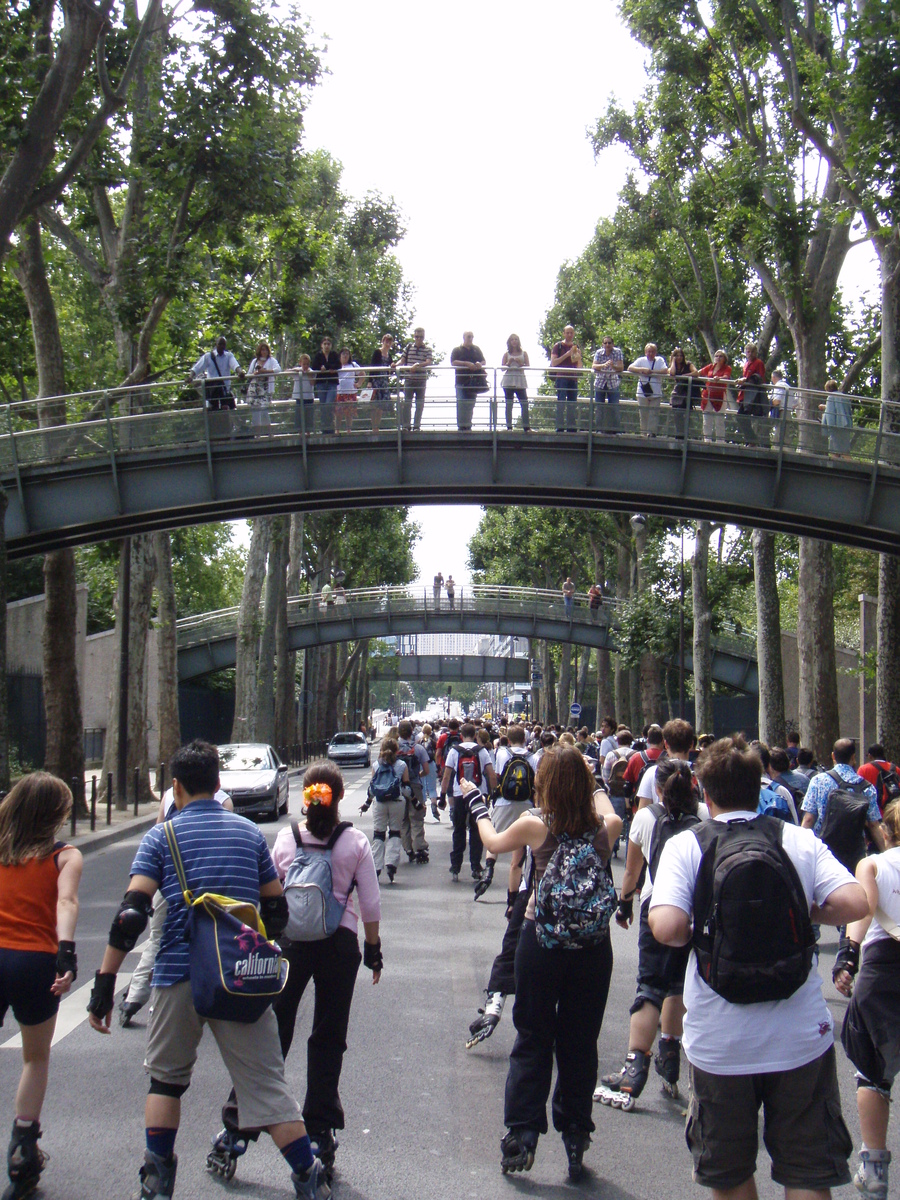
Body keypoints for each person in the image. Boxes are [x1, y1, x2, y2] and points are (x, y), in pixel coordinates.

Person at [86, 740, 330, 1200]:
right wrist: (264, 949)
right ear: (219, 784)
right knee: (267, 1088)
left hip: (177, 973)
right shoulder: (247, 834)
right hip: (238, 976)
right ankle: (308, 1178)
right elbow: (277, 910)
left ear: (175, 786)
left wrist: (103, 984)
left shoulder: (162, 837)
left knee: (166, 1080)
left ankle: (157, 1183)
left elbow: (131, 916)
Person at [649, 736, 868, 1200]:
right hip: (799, 1035)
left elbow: (667, 928)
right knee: (808, 1173)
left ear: (705, 794)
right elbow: (853, 902)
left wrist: (705, 925)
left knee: (729, 1174)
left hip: (720, 1038)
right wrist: (802, 908)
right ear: (760, 785)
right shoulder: (798, 839)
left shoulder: (688, 845)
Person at [466, 746, 622, 1180]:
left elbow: (492, 842)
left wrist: (478, 805)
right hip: (593, 947)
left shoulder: (535, 827)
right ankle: (575, 1132)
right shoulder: (606, 828)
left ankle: (523, 1132)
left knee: (533, 1035)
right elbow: (605, 804)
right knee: (579, 1039)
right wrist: (594, 782)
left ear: (544, 784)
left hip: (541, 940)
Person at [261, 761, 381, 1183]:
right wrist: (374, 949)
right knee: (328, 1035)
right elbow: (370, 902)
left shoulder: (286, 838)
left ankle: (247, 1110)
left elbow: (269, 891)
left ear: (303, 795)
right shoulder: (354, 842)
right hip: (340, 944)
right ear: (339, 796)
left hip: (292, 943)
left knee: (277, 1028)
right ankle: (319, 1125)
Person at [597, 759, 706, 1110]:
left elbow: (632, 871)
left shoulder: (646, 818)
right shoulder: (705, 815)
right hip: (693, 911)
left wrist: (624, 903)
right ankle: (670, 1055)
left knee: (649, 985)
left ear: (657, 789)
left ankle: (634, 1069)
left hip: (657, 907)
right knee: (677, 984)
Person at [0, 774, 82, 1200]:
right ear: (56, 814)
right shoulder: (64, 856)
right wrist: (65, 954)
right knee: (34, 1058)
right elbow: (66, 902)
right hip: (32, 961)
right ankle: (22, 1149)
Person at [118, 784, 233, 1028]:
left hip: (168, 882)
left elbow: (159, 831)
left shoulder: (169, 795)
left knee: (158, 938)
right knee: (210, 937)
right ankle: (209, 994)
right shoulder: (224, 802)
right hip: (204, 884)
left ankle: (135, 997)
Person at [833, 798, 900, 1198]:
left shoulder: (874, 864)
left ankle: (874, 1166)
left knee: (872, 1071)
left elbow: (864, 907)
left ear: (887, 832)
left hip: (883, 968)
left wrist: (848, 955)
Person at [800, 737, 885, 868]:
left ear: (833, 756)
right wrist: (888, 855)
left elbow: (809, 819)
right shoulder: (867, 788)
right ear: (853, 757)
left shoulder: (818, 781)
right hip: (855, 855)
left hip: (824, 853)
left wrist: (800, 850)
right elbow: (874, 825)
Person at [440, 723, 498, 882]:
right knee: (476, 830)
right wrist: (495, 793)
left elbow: (446, 776)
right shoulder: (482, 751)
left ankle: (456, 864)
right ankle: (475, 866)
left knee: (458, 829)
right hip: (478, 794)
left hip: (460, 793)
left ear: (461, 734)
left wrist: (443, 795)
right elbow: (491, 774)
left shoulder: (454, 751)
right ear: (475, 735)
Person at [359, 738, 409, 884]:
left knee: (378, 834)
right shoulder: (401, 765)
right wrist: (416, 802)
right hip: (397, 802)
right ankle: (391, 863)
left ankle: (376, 866)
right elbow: (406, 788)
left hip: (379, 803)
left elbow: (372, 788)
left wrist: (367, 803)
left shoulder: (376, 765)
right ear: (396, 749)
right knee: (395, 832)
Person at [397, 719, 430, 865]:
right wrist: (417, 776)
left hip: (398, 787)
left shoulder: (393, 747)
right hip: (415, 785)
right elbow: (427, 770)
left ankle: (408, 848)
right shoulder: (418, 749)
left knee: (404, 820)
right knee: (416, 817)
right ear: (412, 732)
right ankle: (419, 848)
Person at [189, 337, 243, 410]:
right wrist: (190, 377)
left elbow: (235, 365)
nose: (222, 346)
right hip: (213, 391)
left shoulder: (229, 356)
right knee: (213, 412)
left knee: (226, 410)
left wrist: (240, 372)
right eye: (220, 344)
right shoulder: (208, 357)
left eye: (223, 344)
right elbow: (197, 368)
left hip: (225, 390)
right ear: (216, 345)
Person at [397, 327, 433, 432]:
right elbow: (403, 360)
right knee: (407, 403)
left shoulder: (427, 349)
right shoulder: (409, 347)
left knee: (419, 404)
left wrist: (418, 365)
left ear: (424, 337)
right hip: (409, 379)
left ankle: (416, 426)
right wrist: (396, 364)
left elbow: (428, 362)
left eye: (421, 337)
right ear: (414, 336)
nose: (418, 339)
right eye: (417, 336)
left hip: (421, 380)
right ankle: (406, 426)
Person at [628, 343, 667, 437]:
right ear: (645, 352)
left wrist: (651, 372)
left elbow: (665, 370)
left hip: (656, 393)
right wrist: (642, 369)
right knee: (643, 414)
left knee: (654, 414)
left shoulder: (660, 360)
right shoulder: (641, 360)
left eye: (652, 352)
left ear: (655, 353)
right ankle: (643, 434)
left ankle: (652, 433)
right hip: (642, 393)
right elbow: (630, 368)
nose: (650, 353)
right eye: (649, 351)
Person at [450, 331, 487, 432]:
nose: (470, 339)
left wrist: (479, 363)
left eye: (472, 337)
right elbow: (453, 362)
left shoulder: (476, 349)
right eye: (469, 337)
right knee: (461, 403)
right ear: (464, 337)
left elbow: (483, 361)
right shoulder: (457, 350)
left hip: (474, 381)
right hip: (461, 381)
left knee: (471, 404)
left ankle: (468, 426)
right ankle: (461, 427)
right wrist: (466, 364)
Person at [550, 326, 583, 433]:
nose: (569, 335)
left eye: (571, 333)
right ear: (564, 333)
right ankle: (559, 427)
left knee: (572, 404)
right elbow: (554, 363)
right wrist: (567, 354)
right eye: (567, 333)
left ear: (573, 334)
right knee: (561, 402)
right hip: (561, 378)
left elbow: (579, 367)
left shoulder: (576, 347)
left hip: (573, 379)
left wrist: (578, 356)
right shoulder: (558, 346)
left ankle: (571, 428)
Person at [735, 341, 767, 447]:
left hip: (752, 395)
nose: (749, 353)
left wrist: (747, 380)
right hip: (745, 395)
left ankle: (752, 441)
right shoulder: (746, 364)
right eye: (747, 351)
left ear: (754, 352)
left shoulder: (758, 363)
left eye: (751, 351)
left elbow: (760, 378)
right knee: (742, 418)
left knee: (741, 417)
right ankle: (751, 440)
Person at [245, 342, 281, 433]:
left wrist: (264, 371)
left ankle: (269, 433)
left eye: (265, 350)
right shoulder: (255, 361)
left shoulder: (271, 360)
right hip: (255, 390)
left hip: (266, 389)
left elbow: (278, 370)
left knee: (264, 411)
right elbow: (249, 373)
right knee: (255, 412)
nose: (263, 352)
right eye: (262, 350)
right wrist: (256, 373)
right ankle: (257, 434)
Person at [698, 349, 731, 443]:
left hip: (719, 396)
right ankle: (707, 439)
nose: (718, 358)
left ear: (724, 358)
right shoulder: (711, 367)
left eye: (721, 356)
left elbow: (726, 376)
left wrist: (719, 378)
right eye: (716, 356)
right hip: (707, 395)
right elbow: (699, 372)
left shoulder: (727, 368)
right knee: (707, 419)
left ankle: (720, 440)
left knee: (719, 419)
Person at [592, 336, 624, 434]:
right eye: (605, 343)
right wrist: (603, 365)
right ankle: (599, 429)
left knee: (614, 407)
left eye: (609, 343)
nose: (607, 345)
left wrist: (612, 366)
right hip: (600, 383)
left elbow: (621, 367)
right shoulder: (599, 353)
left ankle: (615, 430)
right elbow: (594, 366)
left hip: (613, 382)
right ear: (602, 344)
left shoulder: (617, 352)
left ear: (613, 344)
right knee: (599, 407)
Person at [857, 743, 900, 815]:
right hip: (893, 814)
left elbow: (858, 792)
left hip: (872, 815)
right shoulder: (896, 769)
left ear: (870, 756)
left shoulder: (863, 769)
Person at [501, 334, 530, 431]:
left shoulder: (524, 353)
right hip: (508, 381)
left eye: (516, 339)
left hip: (520, 380)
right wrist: (508, 364)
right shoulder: (506, 354)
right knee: (509, 404)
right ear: (509, 342)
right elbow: (502, 368)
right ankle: (509, 427)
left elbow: (528, 366)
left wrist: (521, 364)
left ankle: (526, 427)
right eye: (512, 340)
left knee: (524, 403)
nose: (514, 341)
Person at [311, 336, 340, 434]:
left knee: (328, 404)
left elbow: (338, 365)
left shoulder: (334, 355)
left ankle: (330, 426)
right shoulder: (318, 356)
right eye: (325, 344)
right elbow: (315, 366)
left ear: (331, 345)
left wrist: (327, 367)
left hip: (332, 383)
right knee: (323, 406)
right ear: (321, 346)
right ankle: (324, 428)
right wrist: (321, 368)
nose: (327, 346)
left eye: (328, 344)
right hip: (321, 383)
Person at [667, 347, 699, 437]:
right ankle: (679, 434)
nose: (679, 357)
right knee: (677, 414)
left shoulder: (688, 365)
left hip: (687, 392)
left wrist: (685, 376)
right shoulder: (673, 367)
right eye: (677, 355)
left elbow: (696, 373)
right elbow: (672, 373)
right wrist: (673, 361)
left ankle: (685, 435)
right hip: (678, 392)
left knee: (685, 414)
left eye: (681, 355)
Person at [820, 379, 854, 458]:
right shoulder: (844, 397)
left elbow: (830, 415)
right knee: (845, 451)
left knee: (835, 451)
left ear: (827, 389)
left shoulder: (830, 398)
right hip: (846, 426)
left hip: (836, 428)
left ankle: (834, 468)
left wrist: (827, 427)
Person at [368, 334, 395, 434]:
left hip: (384, 381)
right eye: (386, 341)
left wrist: (392, 366)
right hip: (376, 380)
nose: (388, 344)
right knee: (375, 405)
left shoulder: (389, 355)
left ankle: (377, 427)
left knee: (381, 406)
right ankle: (373, 426)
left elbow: (391, 369)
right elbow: (372, 367)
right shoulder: (377, 352)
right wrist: (370, 381)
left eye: (389, 342)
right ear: (383, 341)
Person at [334, 347, 362, 435]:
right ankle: (337, 430)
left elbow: (362, 374)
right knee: (338, 413)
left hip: (351, 392)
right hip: (339, 392)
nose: (345, 355)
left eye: (347, 354)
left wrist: (359, 384)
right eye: (343, 353)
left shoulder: (353, 365)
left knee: (349, 413)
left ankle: (349, 430)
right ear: (340, 355)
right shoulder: (336, 365)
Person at [291, 354, 316, 432]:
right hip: (299, 397)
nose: (305, 366)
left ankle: (308, 432)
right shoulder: (297, 370)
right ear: (300, 363)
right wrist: (297, 370)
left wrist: (309, 375)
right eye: (304, 364)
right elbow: (286, 371)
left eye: (307, 364)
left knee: (309, 416)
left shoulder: (311, 371)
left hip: (309, 397)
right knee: (299, 416)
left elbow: (313, 383)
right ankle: (300, 433)